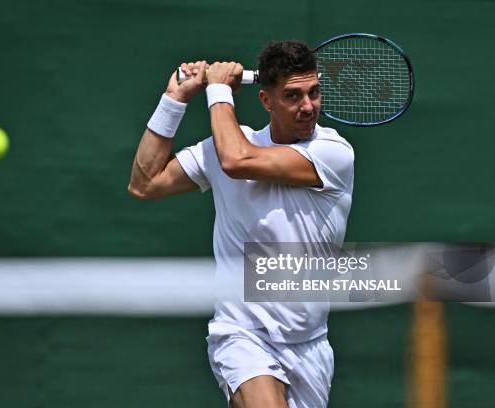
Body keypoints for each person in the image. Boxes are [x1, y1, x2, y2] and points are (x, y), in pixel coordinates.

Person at [128, 41, 354, 408]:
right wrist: (174, 99)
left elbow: (236, 159)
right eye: (293, 96)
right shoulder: (227, 146)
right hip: (242, 333)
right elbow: (145, 183)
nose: (308, 106)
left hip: (311, 344)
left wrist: (217, 90)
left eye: (314, 92)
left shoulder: (333, 152)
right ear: (267, 101)